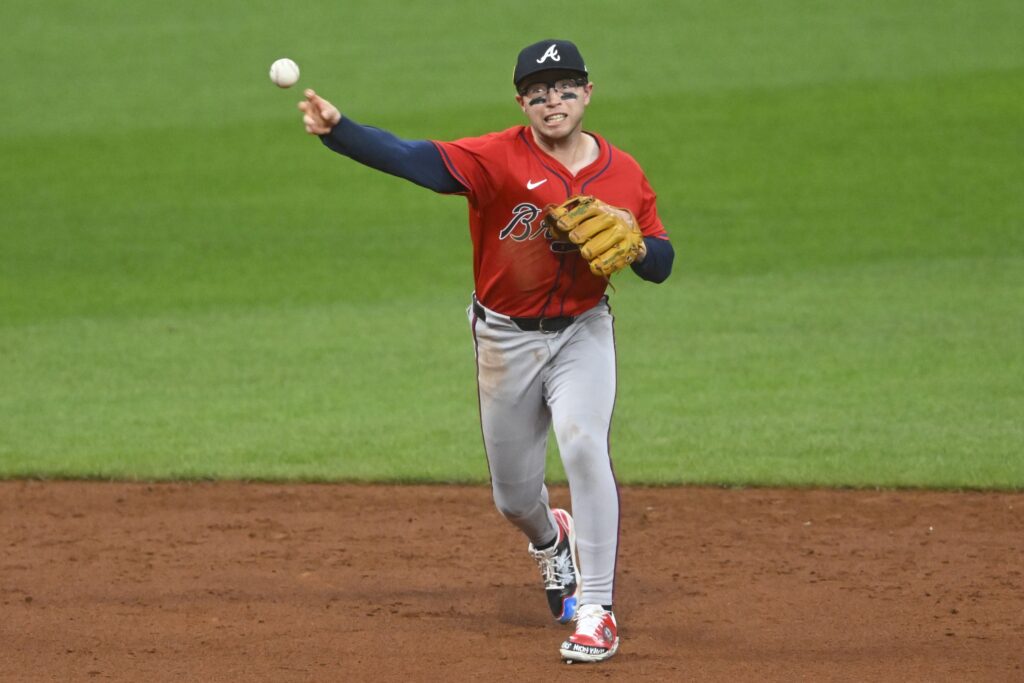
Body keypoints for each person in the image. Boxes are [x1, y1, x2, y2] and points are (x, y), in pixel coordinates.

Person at [298, 39, 673, 663]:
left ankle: (598, 611)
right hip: (505, 339)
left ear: (588, 92)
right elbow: (411, 159)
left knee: (583, 443)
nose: (553, 99)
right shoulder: (494, 158)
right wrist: (340, 131)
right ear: (522, 101)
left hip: (584, 332)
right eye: (539, 90)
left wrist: (637, 245)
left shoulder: (624, 172)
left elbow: (661, 264)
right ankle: (552, 540)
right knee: (513, 498)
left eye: (566, 86)